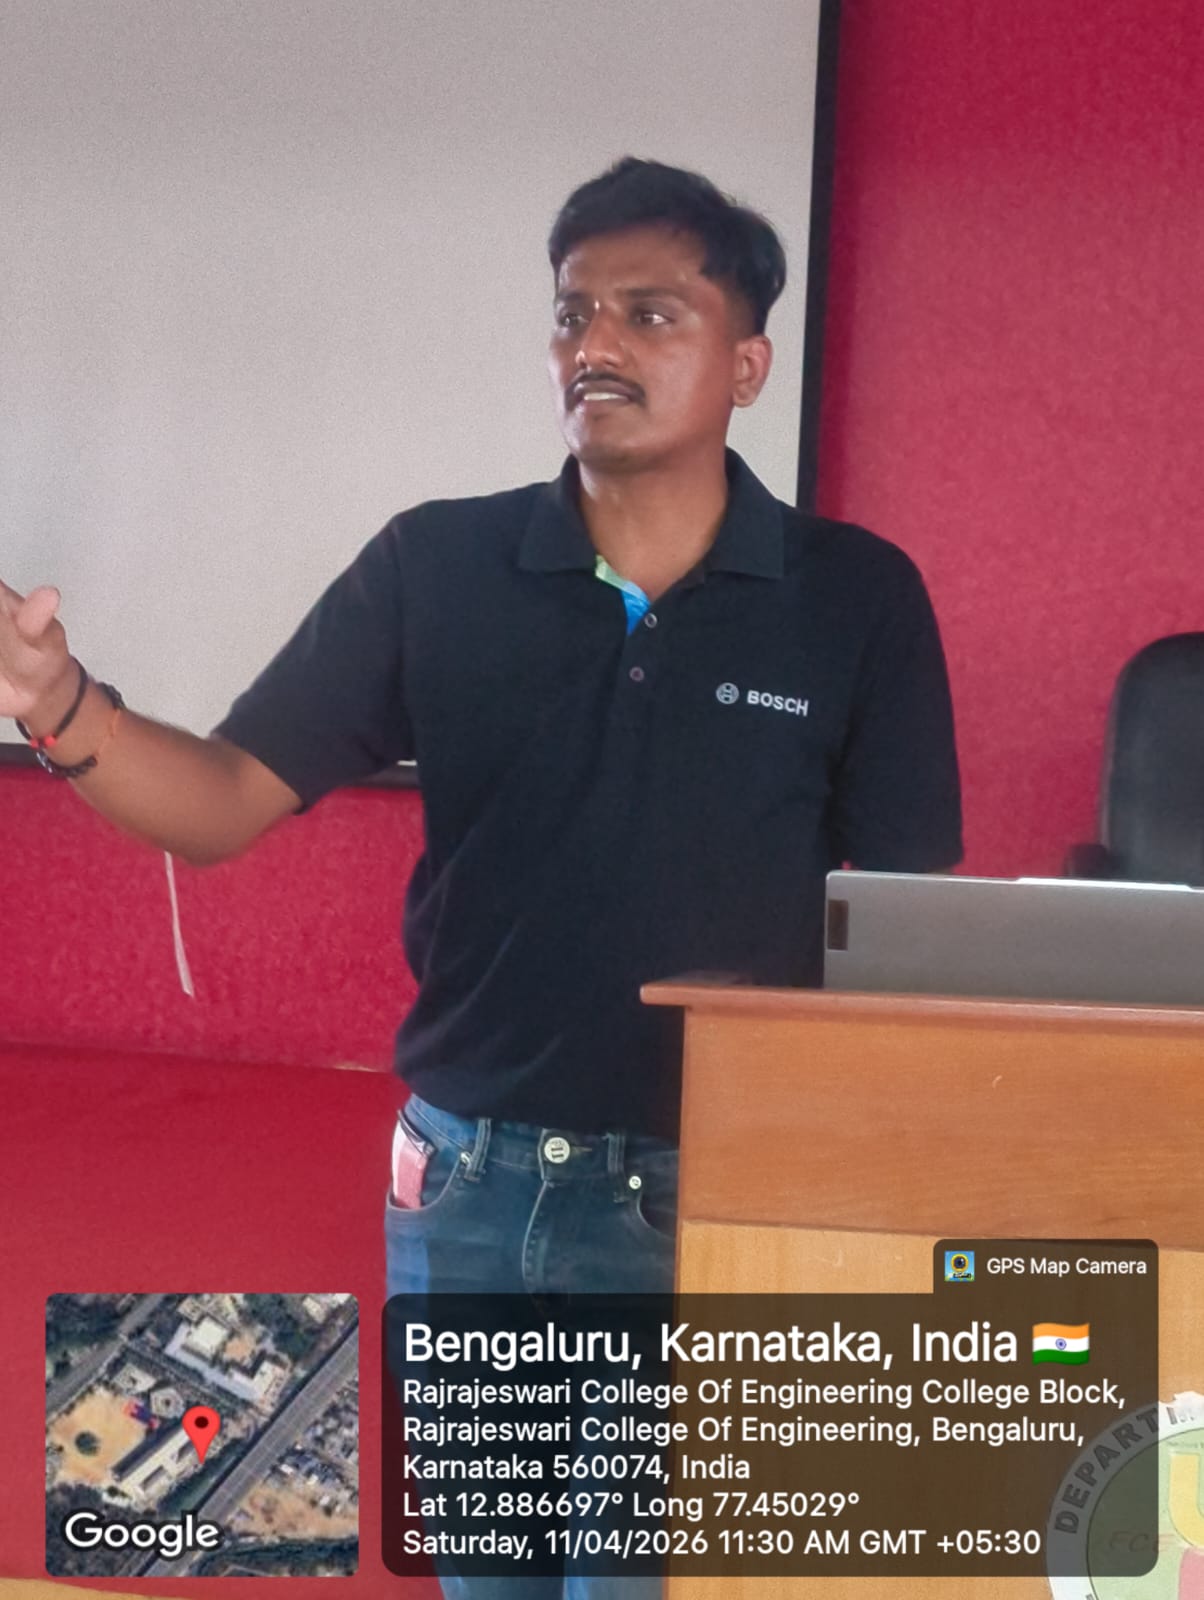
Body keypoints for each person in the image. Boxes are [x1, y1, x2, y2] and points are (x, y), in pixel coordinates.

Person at [0, 158, 962, 1596]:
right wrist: (58, 702)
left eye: (651, 312)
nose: (598, 344)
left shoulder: (856, 596)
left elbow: (904, 926)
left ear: (748, 366)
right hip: (464, 1189)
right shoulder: (438, 564)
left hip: (705, 1191)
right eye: (575, 313)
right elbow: (217, 803)